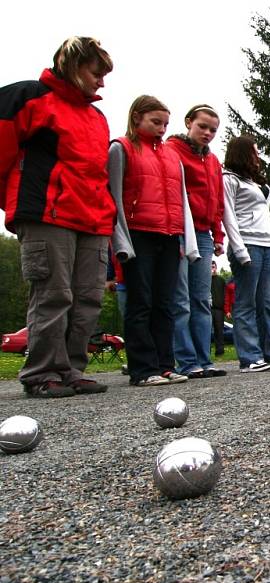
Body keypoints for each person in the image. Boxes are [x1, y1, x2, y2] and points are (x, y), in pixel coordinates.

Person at [0, 38, 115, 398]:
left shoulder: (97, 117)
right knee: (53, 294)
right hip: (48, 215)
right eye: (96, 73)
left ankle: (71, 368)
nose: (102, 82)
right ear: (73, 64)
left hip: (94, 219)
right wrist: (13, 201)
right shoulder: (28, 97)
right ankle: (42, 372)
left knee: (87, 297)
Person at [110, 95, 196, 387]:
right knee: (140, 301)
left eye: (165, 124)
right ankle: (143, 368)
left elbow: (181, 199)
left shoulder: (172, 156)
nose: (161, 128)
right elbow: (114, 195)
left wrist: (186, 240)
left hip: (169, 235)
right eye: (155, 122)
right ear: (137, 118)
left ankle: (164, 364)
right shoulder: (122, 148)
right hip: (138, 233)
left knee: (165, 302)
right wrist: (120, 239)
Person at [222, 135, 270, 372]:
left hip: (266, 246)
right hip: (247, 244)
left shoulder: (257, 182)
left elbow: (267, 219)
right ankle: (250, 357)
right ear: (242, 153)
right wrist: (239, 248)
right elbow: (228, 215)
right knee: (246, 303)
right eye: (254, 152)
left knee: (267, 303)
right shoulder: (229, 179)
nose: (258, 156)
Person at [167, 105, 226, 378]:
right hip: (178, 229)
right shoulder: (172, 151)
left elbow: (216, 199)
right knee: (180, 300)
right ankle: (186, 361)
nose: (207, 133)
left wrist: (218, 234)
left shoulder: (213, 161)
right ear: (189, 122)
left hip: (203, 233)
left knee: (202, 298)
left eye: (213, 130)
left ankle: (204, 359)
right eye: (202, 126)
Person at [210, 261, 227, 356]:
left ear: (216, 267)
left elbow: (225, 294)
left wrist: (226, 309)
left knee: (219, 330)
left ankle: (220, 351)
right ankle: (205, 351)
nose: (212, 268)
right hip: (208, 309)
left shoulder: (221, 280)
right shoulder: (205, 279)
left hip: (219, 309)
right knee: (206, 330)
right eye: (211, 267)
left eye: (214, 266)